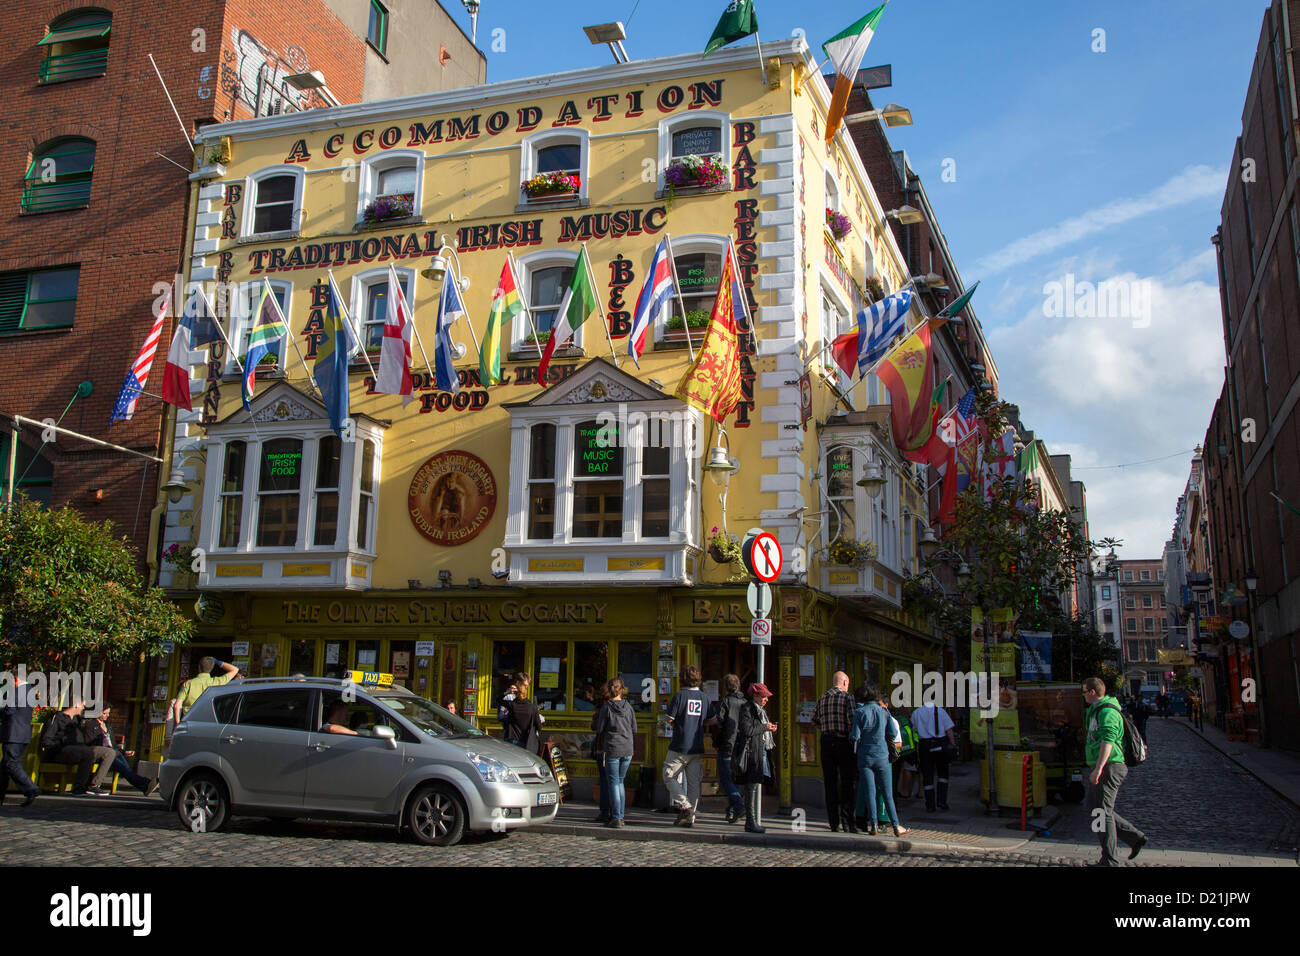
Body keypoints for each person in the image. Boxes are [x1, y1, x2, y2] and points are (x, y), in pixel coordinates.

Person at [1083, 677, 1147, 866]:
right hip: (1104, 766)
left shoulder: (1107, 712)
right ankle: (1134, 838)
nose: (1083, 695)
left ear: (1092, 692)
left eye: (1084, 691)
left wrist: (1098, 768)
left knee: (1102, 812)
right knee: (1094, 810)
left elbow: (1108, 742)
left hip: (1110, 766)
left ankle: (1110, 859)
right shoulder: (1097, 711)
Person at [849, 683, 907, 837]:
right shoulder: (884, 712)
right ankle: (895, 825)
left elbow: (854, 736)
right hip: (882, 756)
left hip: (865, 756)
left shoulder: (859, 712)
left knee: (870, 791)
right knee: (887, 793)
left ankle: (873, 824)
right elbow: (893, 732)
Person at [39, 700, 116, 796]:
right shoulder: (57, 718)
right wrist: (61, 745)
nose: (83, 708)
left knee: (109, 752)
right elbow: (46, 740)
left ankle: (94, 785)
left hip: (80, 748)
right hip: (62, 751)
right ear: (75, 705)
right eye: (82, 705)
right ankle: (79, 787)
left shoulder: (76, 720)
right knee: (87, 753)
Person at [663, 665, 709, 826]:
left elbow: (669, 718)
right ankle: (690, 817)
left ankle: (685, 806)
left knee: (669, 775)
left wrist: (679, 723)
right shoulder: (704, 697)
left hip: (680, 745)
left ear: (683, 679)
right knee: (694, 783)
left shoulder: (680, 696)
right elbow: (713, 718)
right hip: (697, 745)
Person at [812, 670, 857, 832]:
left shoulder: (822, 698)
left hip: (826, 742)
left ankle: (833, 823)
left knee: (830, 782)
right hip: (843, 741)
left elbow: (814, 720)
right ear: (844, 682)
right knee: (847, 782)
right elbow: (852, 721)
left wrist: (825, 728)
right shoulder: (847, 697)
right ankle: (847, 822)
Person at [80, 705, 157, 796]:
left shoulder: (107, 725)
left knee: (126, 769)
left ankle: (145, 786)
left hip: (113, 752)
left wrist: (124, 752)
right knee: (124, 769)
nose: (107, 715)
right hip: (101, 754)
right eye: (104, 713)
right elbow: (90, 742)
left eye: (108, 713)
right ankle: (145, 783)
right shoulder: (91, 725)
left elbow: (113, 744)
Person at [733, 682, 777, 833]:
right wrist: (765, 727)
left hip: (760, 751)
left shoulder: (761, 711)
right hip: (751, 753)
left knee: (755, 785)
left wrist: (768, 728)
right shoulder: (747, 708)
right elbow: (747, 729)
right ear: (756, 696)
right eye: (764, 696)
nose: (766, 699)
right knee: (751, 787)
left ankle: (752, 821)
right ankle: (750, 822)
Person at [593, 678, 636, 828]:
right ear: (622, 690)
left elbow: (599, 729)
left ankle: (616, 817)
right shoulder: (629, 707)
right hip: (628, 748)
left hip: (612, 747)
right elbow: (634, 728)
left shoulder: (607, 707)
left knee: (613, 782)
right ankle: (620, 815)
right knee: (620, 781)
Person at [0, 669, 40, 806]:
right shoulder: (30, 690)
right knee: (5, 766)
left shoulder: (18, 691)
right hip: (21, 733)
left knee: (11, 763)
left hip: (13, 733)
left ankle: (31, 788)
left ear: (16, 679)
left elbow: (9, 710)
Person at [711, 674, 746, 824]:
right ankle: (732, 812)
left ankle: (738, 805)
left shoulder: (725, 702)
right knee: (736, 779)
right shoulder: (745, 702)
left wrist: (716, 741)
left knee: (726, 779)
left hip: (727, 746)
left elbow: (718, 724)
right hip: (741, 746)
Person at [912, 700, 956, 812]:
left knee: (927, 774)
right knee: (943, 774)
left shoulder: (917, 712)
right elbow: (949, 729)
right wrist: (953, 744)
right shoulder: (941, 711)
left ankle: (930, 805)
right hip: (940, 743)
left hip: (924, 745)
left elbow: (914, 729)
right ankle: (942, 802)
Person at [168, 657, 239, 725]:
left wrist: (178, 723)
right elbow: (235, 669)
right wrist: (217, 661)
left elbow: (177, 705)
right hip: (207, 723)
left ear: (199, 667)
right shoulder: (217, 681)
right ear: (212, 668)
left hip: (189, 722)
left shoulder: (189, 683)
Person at [500, 672, 543, 752]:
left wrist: (507, 692)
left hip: (511, 741)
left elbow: (498, 700)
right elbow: (539, 727)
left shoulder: (512, 705)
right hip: (526, 742)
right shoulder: (532, 708)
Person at [590, 681, 611, 823]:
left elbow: (596, 727)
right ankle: (616, 812)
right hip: (618, 749)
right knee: (615, 782)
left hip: (603, 748)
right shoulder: (624, 707)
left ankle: (605, 811)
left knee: (605, 781)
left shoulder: (602, 709)